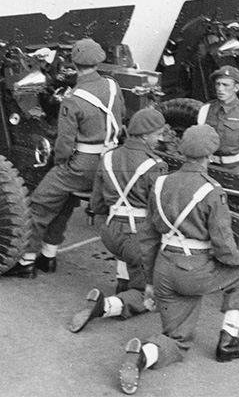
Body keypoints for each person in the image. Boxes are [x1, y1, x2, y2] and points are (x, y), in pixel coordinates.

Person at [119, 125, 239, 394]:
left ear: (183, 152)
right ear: (210, 155)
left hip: (164, 269)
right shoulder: (212, 191)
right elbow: (224, 249)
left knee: (177, 340)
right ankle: (229, 340)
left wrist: (149, 280)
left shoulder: (160, 183)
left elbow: (148, 239)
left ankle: (142, 356)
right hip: (195, 270)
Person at [7, 38, 125, 277]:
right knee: (66, 201)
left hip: (82, 166)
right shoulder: (113, 86)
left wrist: (62, 164)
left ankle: (26, 261)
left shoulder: (74, 99)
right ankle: (48, 256)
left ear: (74, 63)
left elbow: (64, 145)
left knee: (40, 204)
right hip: (110, 162)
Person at [69, 108, 169, 333]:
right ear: (144, 135)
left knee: (128, 248)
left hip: (110, 233)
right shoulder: (156, 165)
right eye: (158, 134)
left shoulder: (109, 156)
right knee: (150, 295)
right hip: (138, 237)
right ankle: (105, 306)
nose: (161, 138)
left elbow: (96, 204)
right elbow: (160, 211)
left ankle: (123, 284)